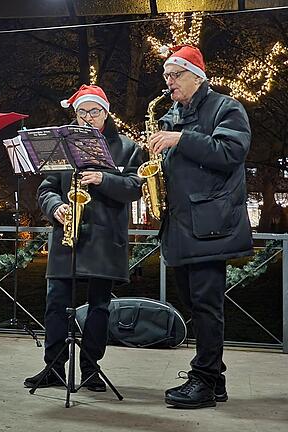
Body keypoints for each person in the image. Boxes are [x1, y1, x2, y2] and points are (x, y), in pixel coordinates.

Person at [149, 45, 252, 409]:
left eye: (175, 75)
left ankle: (205, 381)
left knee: (207, 306)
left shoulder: (226, 107)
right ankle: (215, 379)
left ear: (197, 75)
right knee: (195, 305)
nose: (169, 82)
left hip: (210, 225)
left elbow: (231, 152)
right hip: (180, 225)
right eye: (166, 76)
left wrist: (180, 138)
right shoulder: (172, 113)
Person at [26, 85, 143, 391]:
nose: (89, 117)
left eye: (95, 111)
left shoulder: (128, 148)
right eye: (82, 112)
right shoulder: (63, 148)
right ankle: (53, 367)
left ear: (106, 112)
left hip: (105, 239)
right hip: (68, 235)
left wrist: (103, 178)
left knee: (99, 307)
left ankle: (91, 369)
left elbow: (134, 187)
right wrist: (57, 207)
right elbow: (46, 189)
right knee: (55, 304)